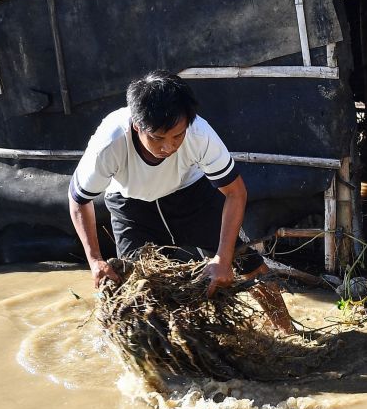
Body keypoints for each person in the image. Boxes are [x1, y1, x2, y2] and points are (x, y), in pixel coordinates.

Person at [68, 70, 294, 334]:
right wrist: (95, 260)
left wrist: (222, 258)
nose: (169, 147)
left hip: (190, 194)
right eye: (158, 138)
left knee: (247, 263)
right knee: (135, 291)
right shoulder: (110, 144)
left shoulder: (199, 134)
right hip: (131, 206)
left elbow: (236, 193)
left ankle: (289, 334)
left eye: (177, 136)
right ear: (137, 126)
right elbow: (78, 200)